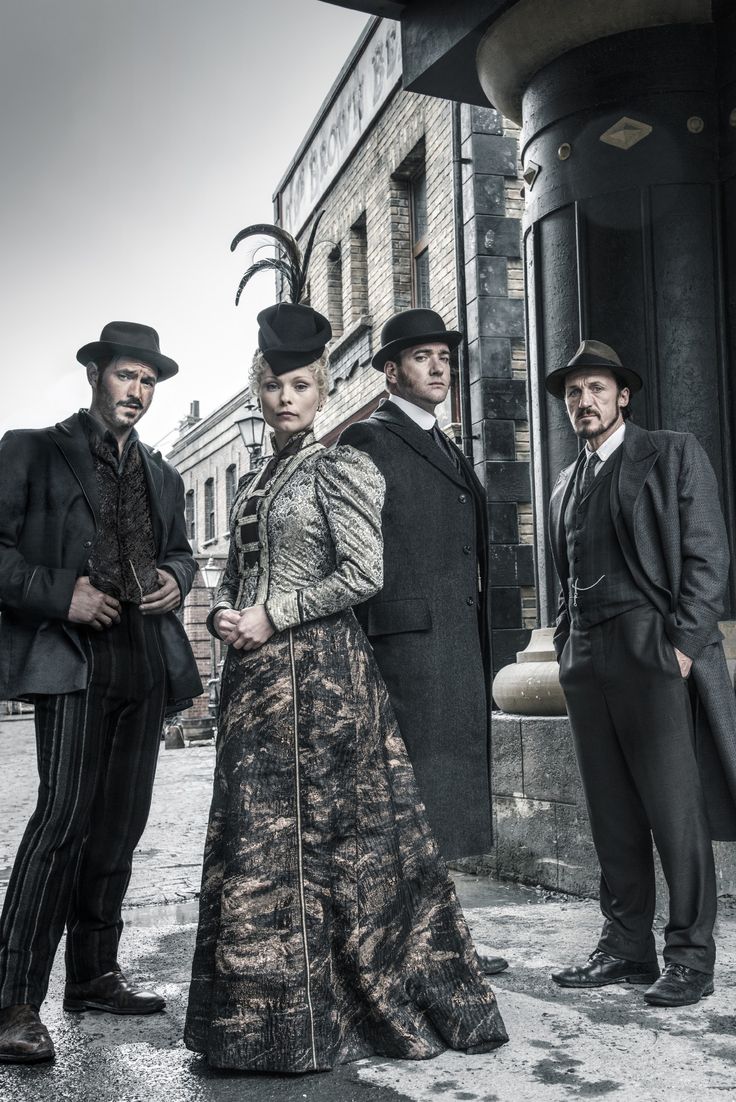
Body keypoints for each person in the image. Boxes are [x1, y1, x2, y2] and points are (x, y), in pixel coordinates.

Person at [184, 227, 507, 1072]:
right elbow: (246, 567)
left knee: (331, 845)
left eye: (300, 384)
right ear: (258, 390)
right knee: (260, 852)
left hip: (323, 679)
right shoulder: (258, 478)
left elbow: (366, 573)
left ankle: (343, 1004)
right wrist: (230, 611)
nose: (286, 397)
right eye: (273, 385)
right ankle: (264, 1024)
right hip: (256, 687)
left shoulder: (340, 464)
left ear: (322, 388)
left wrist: (273, 614)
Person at [0, 321, 202, 1064]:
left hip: (143, 660)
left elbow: (180, 551)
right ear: (96, 374)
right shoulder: (31, 449)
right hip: (72, 657)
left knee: (120, 827)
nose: (138, 392)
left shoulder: (164, 474)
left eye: (149, 382)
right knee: (61, 822)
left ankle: (93, 976)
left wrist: (173, 579)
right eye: (127, 376)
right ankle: (13, 1002)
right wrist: (63, 595)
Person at [546, 338, 736, 1008]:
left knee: (674, 809)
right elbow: (564, 580)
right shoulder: (565, 484)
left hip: (653, 649)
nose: (584, 401)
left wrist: (681, 650)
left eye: (596, 388)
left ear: (622, 395)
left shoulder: (671, 451)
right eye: (573, 392)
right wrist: (568, 648)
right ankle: (626, 946)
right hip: (588, 657)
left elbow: (708, 557)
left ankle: (690, 956)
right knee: (612, 812)